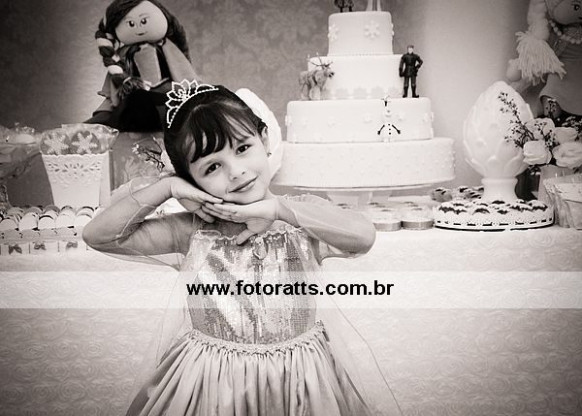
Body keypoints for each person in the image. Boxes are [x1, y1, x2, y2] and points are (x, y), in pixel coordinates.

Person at [83, 80, 401, 415]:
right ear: (192, 181)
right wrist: (167, 187)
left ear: (264, 140)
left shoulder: (299, 216)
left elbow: (363, 236)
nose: (236, 172)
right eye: (212, 167)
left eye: (243, 148)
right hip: (212, 385)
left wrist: (278, 210)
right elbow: (98, 235)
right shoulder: (192, 231)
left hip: (300, 381)